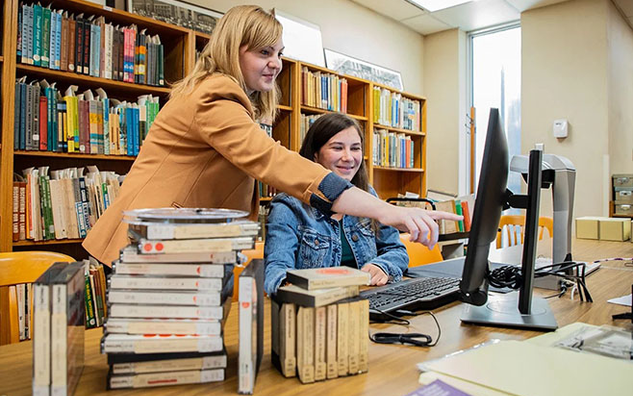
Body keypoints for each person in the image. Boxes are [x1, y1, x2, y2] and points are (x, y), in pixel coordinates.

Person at [82, 5, 460, 266]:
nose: (276, 63)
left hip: (177, 242)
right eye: (264, 52)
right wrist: (386, 211)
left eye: (279, 52)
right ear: (234, 49)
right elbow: (272, 161)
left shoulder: (222, 97)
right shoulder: (214, 94)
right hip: (157, 243)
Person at [264, 113, 411, 294]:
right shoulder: (288, 207)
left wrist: (382, 266)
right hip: (318, 310)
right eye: (337, 148)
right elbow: (276, 271)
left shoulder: (367, 194)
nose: (348, 157)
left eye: (355, 148)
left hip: (371, 304)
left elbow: (396, 250)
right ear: (315, 155)